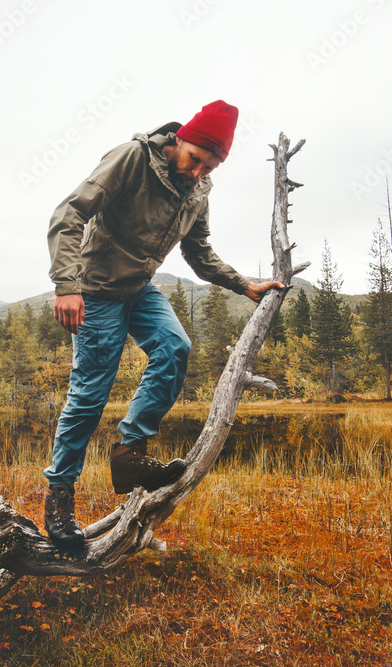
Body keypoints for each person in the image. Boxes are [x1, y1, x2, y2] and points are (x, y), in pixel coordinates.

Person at [43, 100, 283, 546]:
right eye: (195, 159)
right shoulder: (133, 159)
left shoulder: (198, 189)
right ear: (180, 140)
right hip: (95, 290)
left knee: (175, 348)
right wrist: (67, 286)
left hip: (139, 289)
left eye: (210, 167)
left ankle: (130, 452)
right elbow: (69, 215)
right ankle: (59, 496)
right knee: (90, 394)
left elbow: (199, 252)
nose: (198, 172)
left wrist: (243, 286)